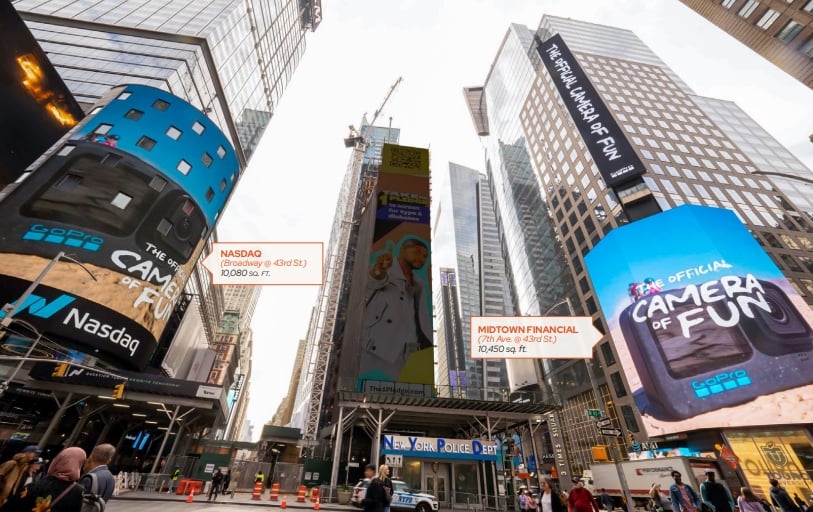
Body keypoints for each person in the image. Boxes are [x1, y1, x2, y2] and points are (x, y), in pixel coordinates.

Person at [361, 238, 432, 382]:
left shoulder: (419, 283)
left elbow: (420, 318)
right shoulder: (387, 269)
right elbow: (373, 280)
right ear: (403, 250)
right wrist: (380, 269)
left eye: (425, 256)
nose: (422, 258)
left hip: (405, 353)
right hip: (375, 349)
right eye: (418, 251)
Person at [0, 446, 86, 512]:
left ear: (57, 461)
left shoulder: (40, 484)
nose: (39, 466)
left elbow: (11, 507)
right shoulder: (79, 491)